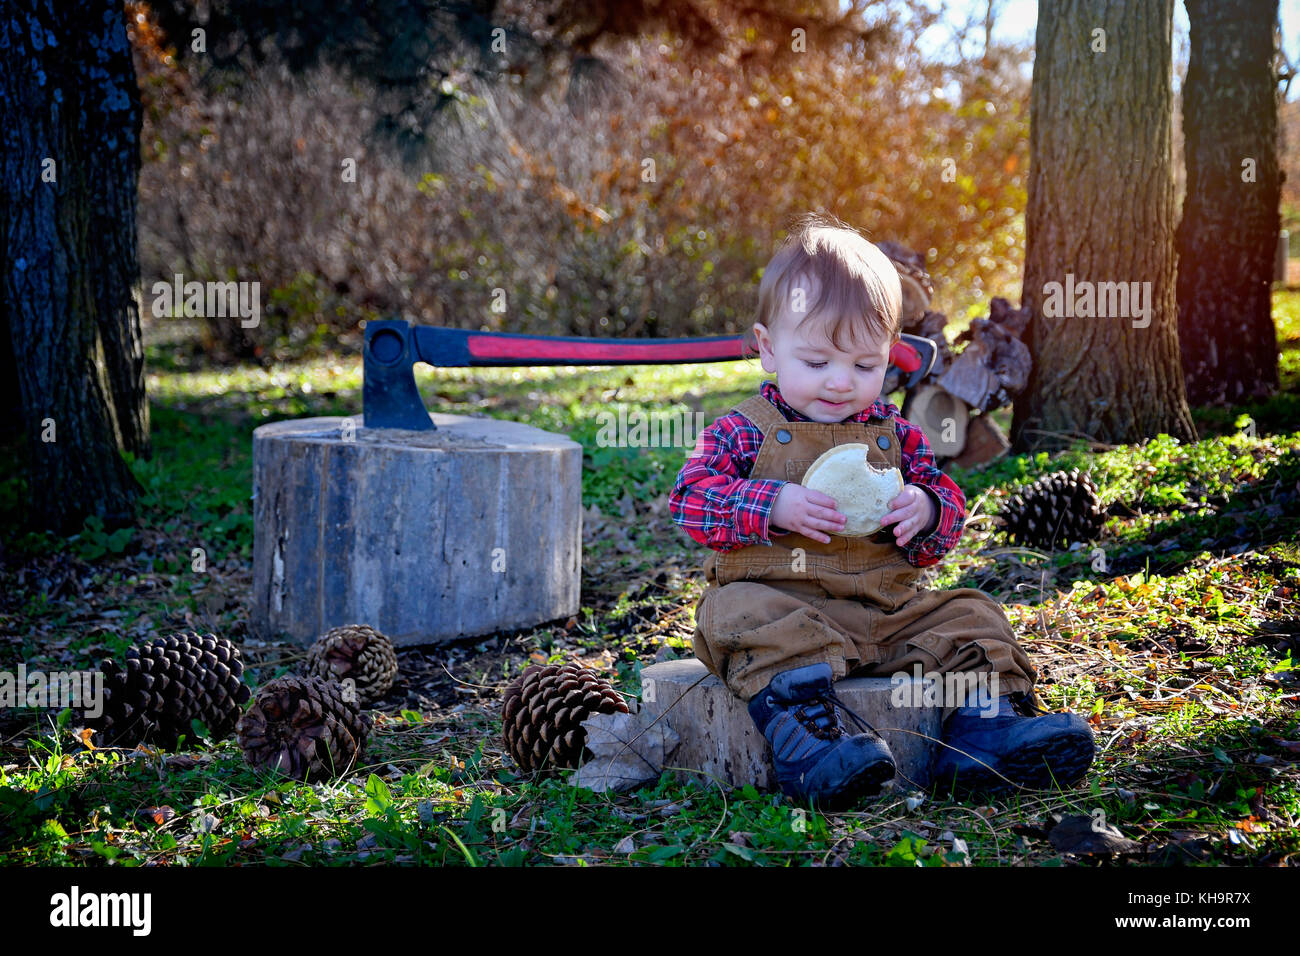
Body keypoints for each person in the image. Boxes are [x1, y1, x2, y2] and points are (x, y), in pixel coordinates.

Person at [668, 212, 1095, 809]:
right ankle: (815, 746)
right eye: (817, 362)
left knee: (972, 614)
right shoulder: (743, 431)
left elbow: (946, 502)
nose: (841, 382)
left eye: (865, 366)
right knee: (733, 611)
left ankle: (985, 731)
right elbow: (688, 500)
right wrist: (770, 503)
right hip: (785, 606)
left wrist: (924, 509)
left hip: (886, 613)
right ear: (768, 348)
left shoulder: (895, 433)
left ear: (889, 358)